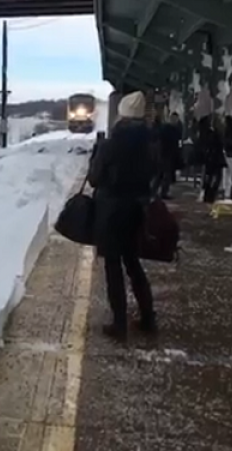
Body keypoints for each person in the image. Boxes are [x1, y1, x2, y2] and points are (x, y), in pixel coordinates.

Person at [89, 91, 156, 340]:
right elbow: (156, 174)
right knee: (133, 263)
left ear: (122, 116)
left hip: (111, 212)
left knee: (113, 266)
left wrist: (96, 156)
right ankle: (148, 317)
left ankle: (119, 324)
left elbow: (95, 179)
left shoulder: (110, 145)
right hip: (136, 211)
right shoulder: (150, 144)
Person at [198, 116, 227, 203]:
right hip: (215, 158)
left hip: (211, 158)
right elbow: (218, 144)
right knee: (215, 178)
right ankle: (210, 195)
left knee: (211, 177)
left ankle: (209, 195)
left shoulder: (206, 132)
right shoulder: (213, 133)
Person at [157, 112, 183, 199]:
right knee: (164, 175)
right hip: (165, 153)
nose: (174, 120)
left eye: (176, 119)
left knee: (162, 175)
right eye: (173, 119)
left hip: (169, 154)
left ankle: (158, 192)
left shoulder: (176, 129)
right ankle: (161, 192)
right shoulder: (166, 128)